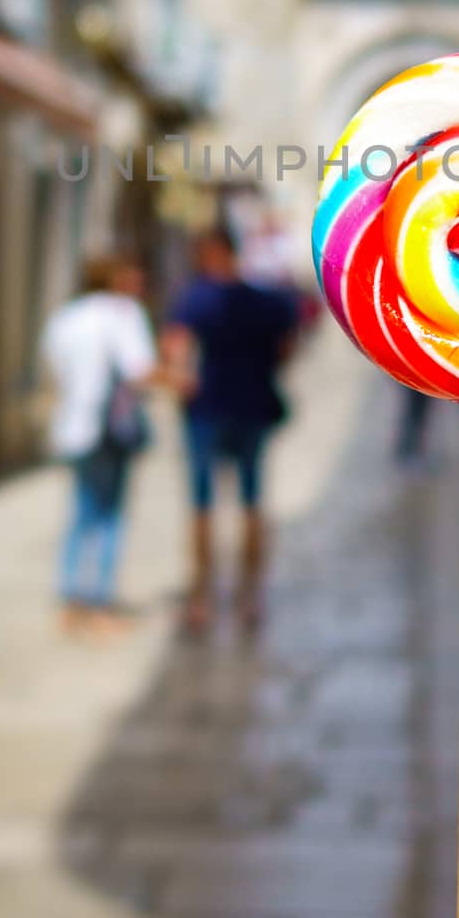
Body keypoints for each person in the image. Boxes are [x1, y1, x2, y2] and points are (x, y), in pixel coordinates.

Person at [164, 226, 298, 635]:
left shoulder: (193, 299)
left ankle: (202, 598)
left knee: (203, 504)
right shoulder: (267, 301)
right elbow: (287, 348)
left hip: (207, 410)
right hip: (254, 405)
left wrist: (182, 380)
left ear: (207, 255)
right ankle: (249, 597)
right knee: (252, 501)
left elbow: (177, 350)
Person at [41, 254, 158, 639]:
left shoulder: (65, 318)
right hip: (109, 430)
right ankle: (99, 602)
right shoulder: (123, 314)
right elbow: (139, 370)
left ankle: (70, 598)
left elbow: (53, 367)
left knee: (81, 513)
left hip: (73, 427)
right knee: (109, 517)